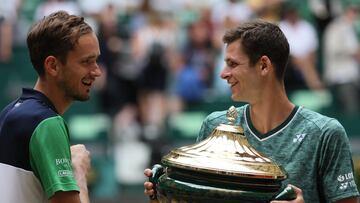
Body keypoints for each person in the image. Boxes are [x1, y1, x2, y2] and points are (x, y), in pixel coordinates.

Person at [144, 20, 360, 203]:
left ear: (264, 66)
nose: (223, 73)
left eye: (232, 64)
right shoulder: (214, 125)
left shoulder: (325, 133)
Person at [0, 11, 101, 203]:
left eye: (96, 60)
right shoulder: (47, 124)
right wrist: (77, 170)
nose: (97, 71)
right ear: (53, 66)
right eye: (86, 62)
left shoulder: (10, 111)